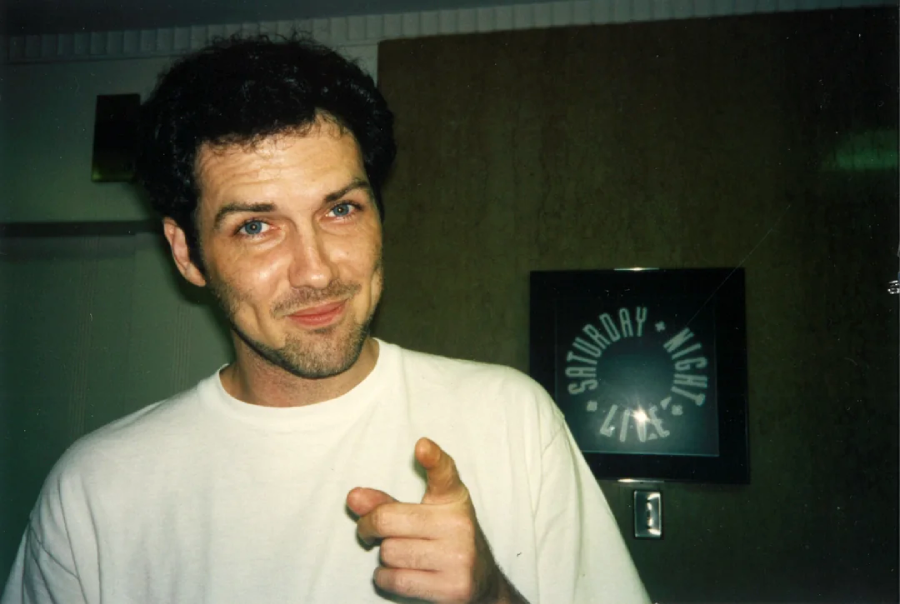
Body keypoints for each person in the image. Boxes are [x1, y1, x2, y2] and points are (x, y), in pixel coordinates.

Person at [1, 35, 650, 604]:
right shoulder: (99, 489)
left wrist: (491, 597)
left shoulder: (511, 419)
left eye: (340, 210)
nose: (314, 270)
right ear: (186, 252)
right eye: (256, 226)